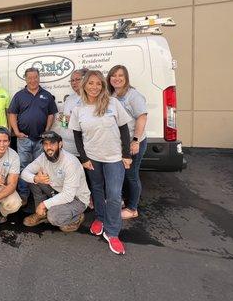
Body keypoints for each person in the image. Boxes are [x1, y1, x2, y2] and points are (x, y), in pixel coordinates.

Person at [69, 70, 132, 255]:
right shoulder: (79, 108)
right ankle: (100, 217)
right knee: (97, 189)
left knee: (113, 194)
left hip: (114, 157)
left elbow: (124, 130)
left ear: (103, 85)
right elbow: (77, 136)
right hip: (93, 158)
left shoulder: (112, 103)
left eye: (98, 83)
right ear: (84, 85)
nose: (94, 87)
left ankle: (112, 233)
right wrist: (84, 159)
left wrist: (126, 154)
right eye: (91, 83)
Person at [20, 131, 90, 232]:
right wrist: (36, 179)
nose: (49, 147)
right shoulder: (43, 158)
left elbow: (68, 195)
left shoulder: (70, 162)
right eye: (45, 144)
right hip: (58, 191)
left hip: (77, 199)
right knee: (33, 180)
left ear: (60, 144)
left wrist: (44, 204)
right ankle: (41, 214)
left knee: (53, 217)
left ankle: (77, 217)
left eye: (52, 143)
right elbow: (25, 172)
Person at [8, 67, 57, 203]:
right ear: (26, 79)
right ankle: (24, 195)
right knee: (23, 166)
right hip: (24, 139)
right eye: (30, 77)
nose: (33, 80)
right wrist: (16, 132)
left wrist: (47, 131)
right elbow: (12, 114)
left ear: (39, 78)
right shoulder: (19, 95)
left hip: (41, 140)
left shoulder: (46, 95)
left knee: (41, 168)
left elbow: (51, 114)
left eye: (35, 77)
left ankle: (39, 195)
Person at [107, 65, 148, 220]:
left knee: (131, 175)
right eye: (113, 76)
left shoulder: (133, 95)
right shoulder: (112, 95)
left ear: (126, 78)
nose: (117, 78)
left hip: (134, 141)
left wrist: (136, 141)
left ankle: (132, 208)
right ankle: (123, 202)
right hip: (120, 143)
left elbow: (142, 117)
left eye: (120, 75)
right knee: (122, 174)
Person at [57, 68, 88, 156]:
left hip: (82, 149)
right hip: (66, 147)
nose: (74, 82)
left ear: (85, 80)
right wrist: (63, 119)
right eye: (72, 80)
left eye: (77, 79)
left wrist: (71, 119)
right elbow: (65, 123)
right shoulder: (69, 99)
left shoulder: (90, 99)